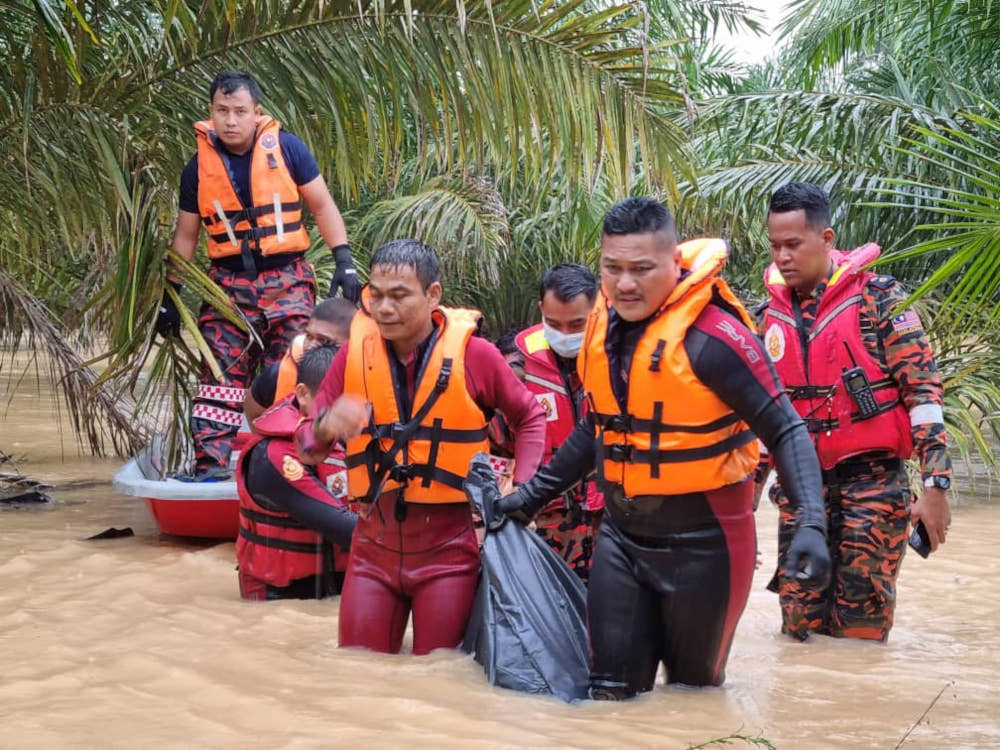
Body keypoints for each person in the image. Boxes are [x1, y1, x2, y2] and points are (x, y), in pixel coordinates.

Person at [496, 197, 830, 699]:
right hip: (622, 538)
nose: (625, 284)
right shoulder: (603, 331)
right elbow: (599, 429)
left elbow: (784, 428)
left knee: (693, 699)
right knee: (609, 698)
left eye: (641, 269)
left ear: (674, 263)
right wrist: (528, 497)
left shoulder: (717, 338)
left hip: (706, 545)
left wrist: (810, 521)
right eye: (612, 269)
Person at [295, 239, 547, 655]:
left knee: (443, 680)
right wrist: (324, 427)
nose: (384, 308)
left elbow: (530, 418)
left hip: (448, 555)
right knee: (358, 676)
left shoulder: (475, 355)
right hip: (370, 554)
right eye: (375, 295)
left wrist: (521, 491)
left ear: (433, 295)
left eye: (399, 296)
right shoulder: (350, 358)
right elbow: (307, 450)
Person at [759, 181, 952, 642]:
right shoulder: (767, 316)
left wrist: (936, 488)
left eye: (793, 244)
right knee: (797, 625)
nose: (782, 256)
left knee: (860, 631)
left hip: (874, 485)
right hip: (801, 492)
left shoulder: (879, 301)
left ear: (826, 240)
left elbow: (923, 397)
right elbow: (761, 419)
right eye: (775, 246)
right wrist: (740, 508)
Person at [158, 70, 362, 481]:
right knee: (219, 376)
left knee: (291, 373)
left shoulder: (288, 149)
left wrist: (345, 260)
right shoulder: (197, 168)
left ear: (256, 113)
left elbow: (322, 206)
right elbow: (186, 235)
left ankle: (296, 464)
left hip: (286, 278)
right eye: (222, 111)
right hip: (226, 288)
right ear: (210, 112)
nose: (230, 121)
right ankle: (210, 469)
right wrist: (171, 296)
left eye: (239, 111)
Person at [236, 345, 358, 601]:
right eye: (337, 402)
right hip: (280, 602)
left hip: (334, 590)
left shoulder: (354, 436)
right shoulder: (273, 456)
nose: (350, 414)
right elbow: (345, 528)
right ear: (302, 395)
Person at [513, 263, 604, 584]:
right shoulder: (517, 363)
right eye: (554, 323)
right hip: (546, 519)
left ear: (597, 308)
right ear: (540, 310)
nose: (564, 334)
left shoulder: (618, 355)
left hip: (608, 517)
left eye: (576, 323)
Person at [243, 297, 356, 421]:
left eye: (324, 340)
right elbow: (253, 413)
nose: (311, 346)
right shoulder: (277, 375)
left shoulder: (368, 375)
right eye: (309, 336)